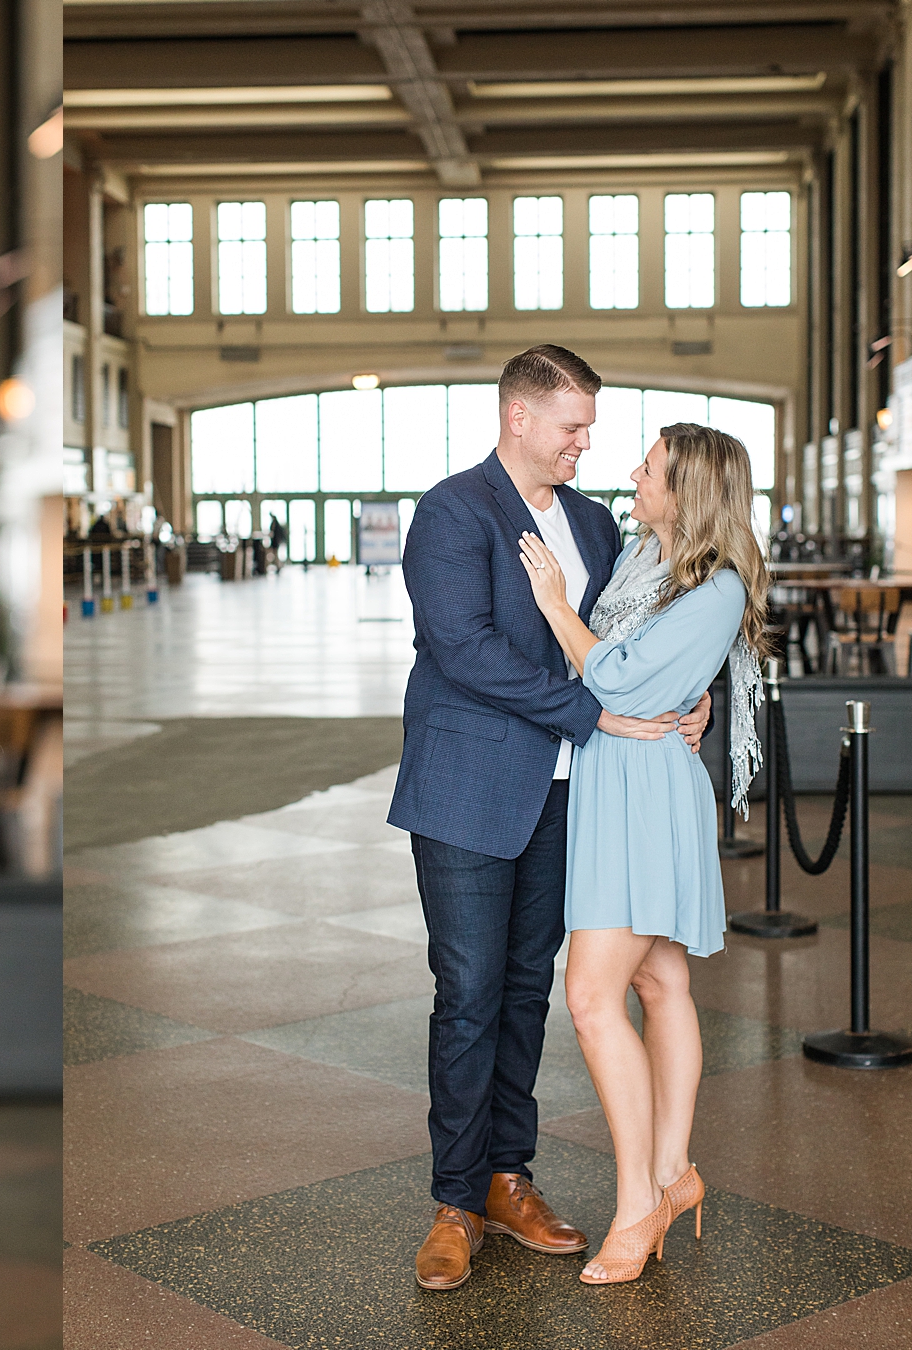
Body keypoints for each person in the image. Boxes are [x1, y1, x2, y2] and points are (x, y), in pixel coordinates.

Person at [387, 344, 712, 1291]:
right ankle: (453, 1200)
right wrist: (594, 711)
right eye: (572, 428)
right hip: (468, 792)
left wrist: (690, 704)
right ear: (519, 418)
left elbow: (643, 635)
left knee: (530, 987)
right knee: (469, 992)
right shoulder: (452, 513)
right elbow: (462, 648)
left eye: (592, 430)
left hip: (575, 794)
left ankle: (506, 1178)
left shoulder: (593, 523)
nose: (585, 446)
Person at [515, 423, 769, 1284]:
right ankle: (673, 1173)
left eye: (650, 467)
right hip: (614, 778)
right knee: (659, 983)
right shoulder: (638, 560)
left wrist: (554, 607)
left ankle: (637, 1206)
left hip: (648, 794)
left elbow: (618, 680)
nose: (633, 473)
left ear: (687, 489)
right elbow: (630, 671)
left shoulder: (719, 588)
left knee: (590, 998)